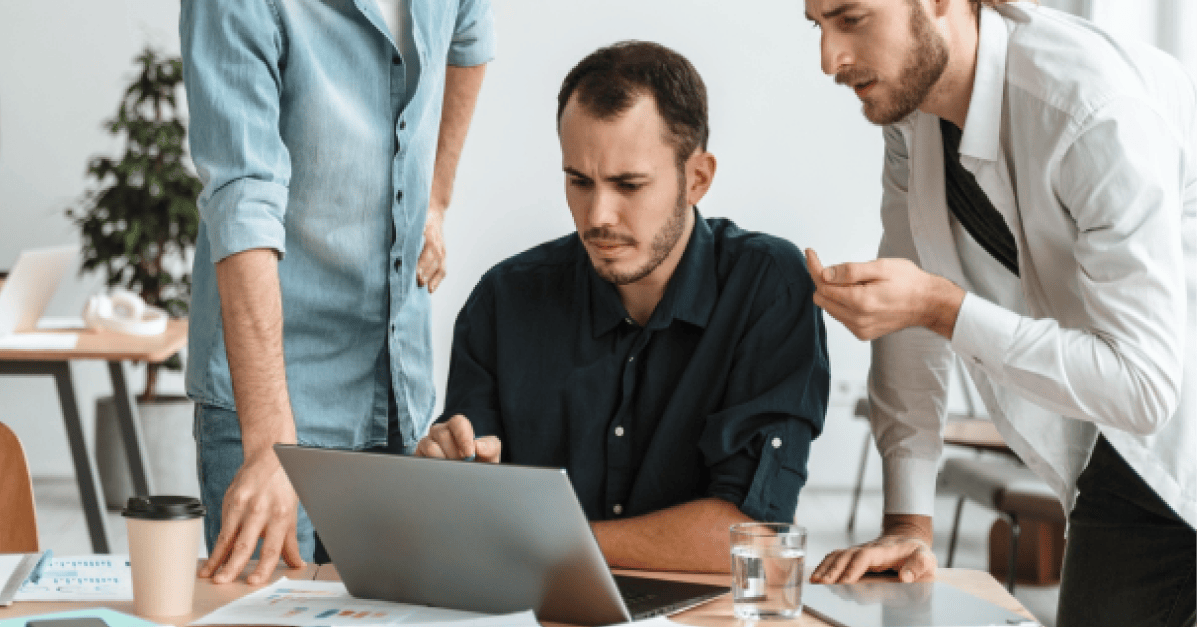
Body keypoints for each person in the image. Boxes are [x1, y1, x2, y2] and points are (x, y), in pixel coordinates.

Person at [802, 1, 1196, 625]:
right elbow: (907, 293)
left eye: (850, 19)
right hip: (1111, 457)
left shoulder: (1092, 110)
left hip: (1176, 445)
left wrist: (945, 309)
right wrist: (909, 523)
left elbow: (1146, 387)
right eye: (816, 25)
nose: (829, 59)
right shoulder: (913, 117)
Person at [414, 41, 830, 573]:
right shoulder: (504, 299)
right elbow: (471, 515)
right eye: (578, 182)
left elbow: (751, 539)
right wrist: (449, 477)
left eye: (628, 185)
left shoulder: (768, 286)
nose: (598, 215)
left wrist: (543, 538)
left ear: (697, 179)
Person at [180, 0, 493, 584]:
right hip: (272, 397)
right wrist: (270, 444)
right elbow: (242, 202)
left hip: (399, 385)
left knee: (396, 616)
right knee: (264, 617)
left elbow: (471, 37)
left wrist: (437, 201)